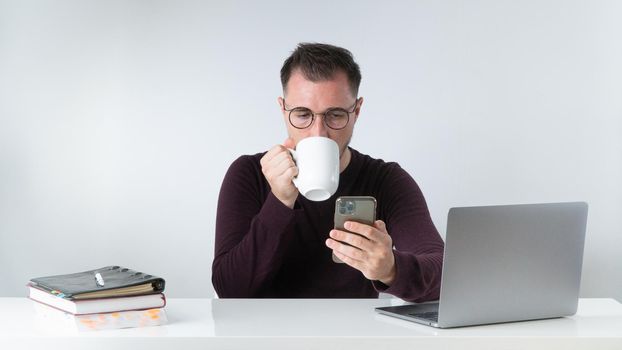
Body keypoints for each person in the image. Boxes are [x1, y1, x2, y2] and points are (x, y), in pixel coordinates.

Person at [212, 43, 444, 302]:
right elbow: (229, 290)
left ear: (356, 110)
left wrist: (391, 269)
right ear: (283, 109)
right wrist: (279, 202)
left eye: (335, 115)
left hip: (354, 338)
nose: (318, 132)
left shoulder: (386, 180)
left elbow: (443, 274)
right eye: (302, 114)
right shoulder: (249, 174)